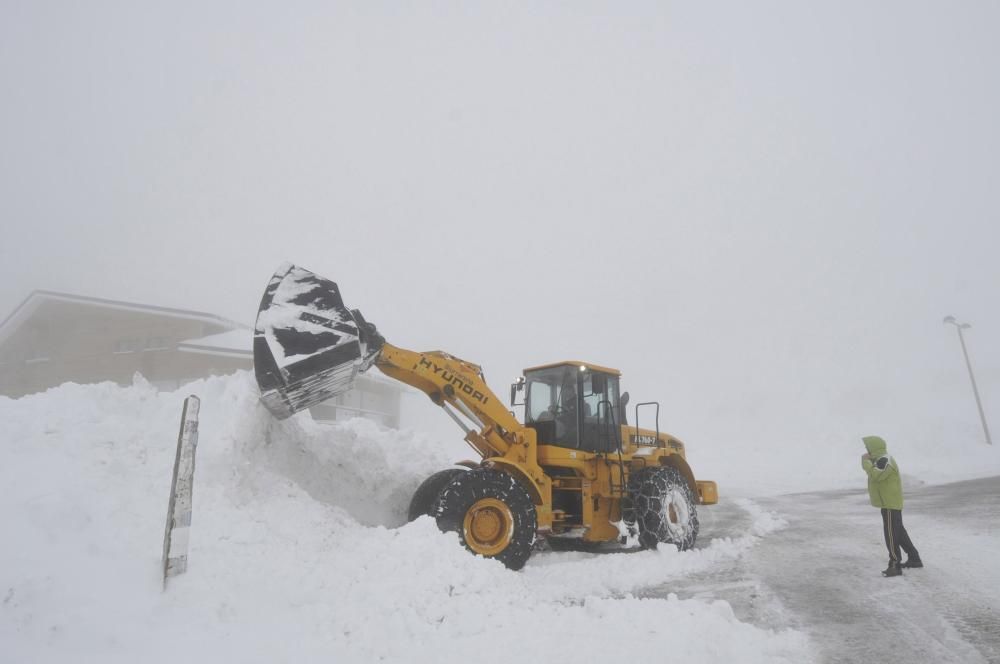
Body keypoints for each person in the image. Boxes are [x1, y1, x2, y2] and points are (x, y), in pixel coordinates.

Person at [861, 435, 922, 577]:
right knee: (898, 532)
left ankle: (895, 565)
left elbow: (876, 475)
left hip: (890, 505)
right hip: (890, 503)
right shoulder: (880, 459)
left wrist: (865, 462)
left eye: (868, 447)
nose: (866, 450)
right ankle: (914, 558)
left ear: (874, 448)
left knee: (891, 534)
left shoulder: (885, 460)